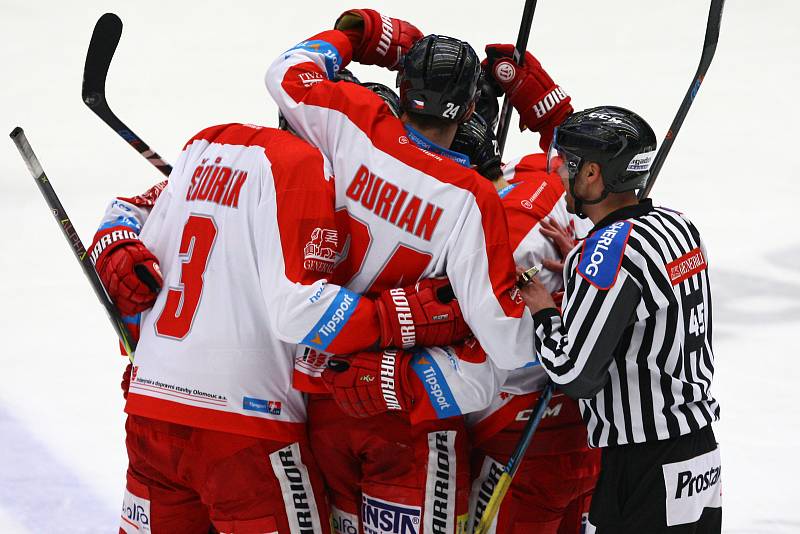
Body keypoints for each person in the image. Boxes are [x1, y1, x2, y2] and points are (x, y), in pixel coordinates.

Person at [92, 119, 469, 532]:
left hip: (151, 415)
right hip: (247, 429)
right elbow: (302, 311)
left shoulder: (209, 143)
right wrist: (404, 317)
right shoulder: (310, 172)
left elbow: (126, 209)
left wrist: (114, 241)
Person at [265, 8, 538, 533]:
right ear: (474, 106)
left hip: (324, 399)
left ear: (401, 83)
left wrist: (363, 35)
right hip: (410, 420)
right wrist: (552, 310)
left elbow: (286, 72)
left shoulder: (352, 118)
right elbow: (508, 343)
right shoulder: (471, 199)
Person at [518, 104, 722, 533]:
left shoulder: (611, 251)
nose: (557, 175)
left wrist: (542, 309)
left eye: (566, 165)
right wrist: (583, 260)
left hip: (643, 465)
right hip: (699, 453)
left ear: (592, 174)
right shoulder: (678, 226)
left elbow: (574, 371)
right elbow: (641, 294)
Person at [448, 53, 600, 532]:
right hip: (586, 429)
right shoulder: (549, 175)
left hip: (516, 443)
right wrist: (533, 90)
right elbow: (583, 145)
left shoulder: (484, 229)